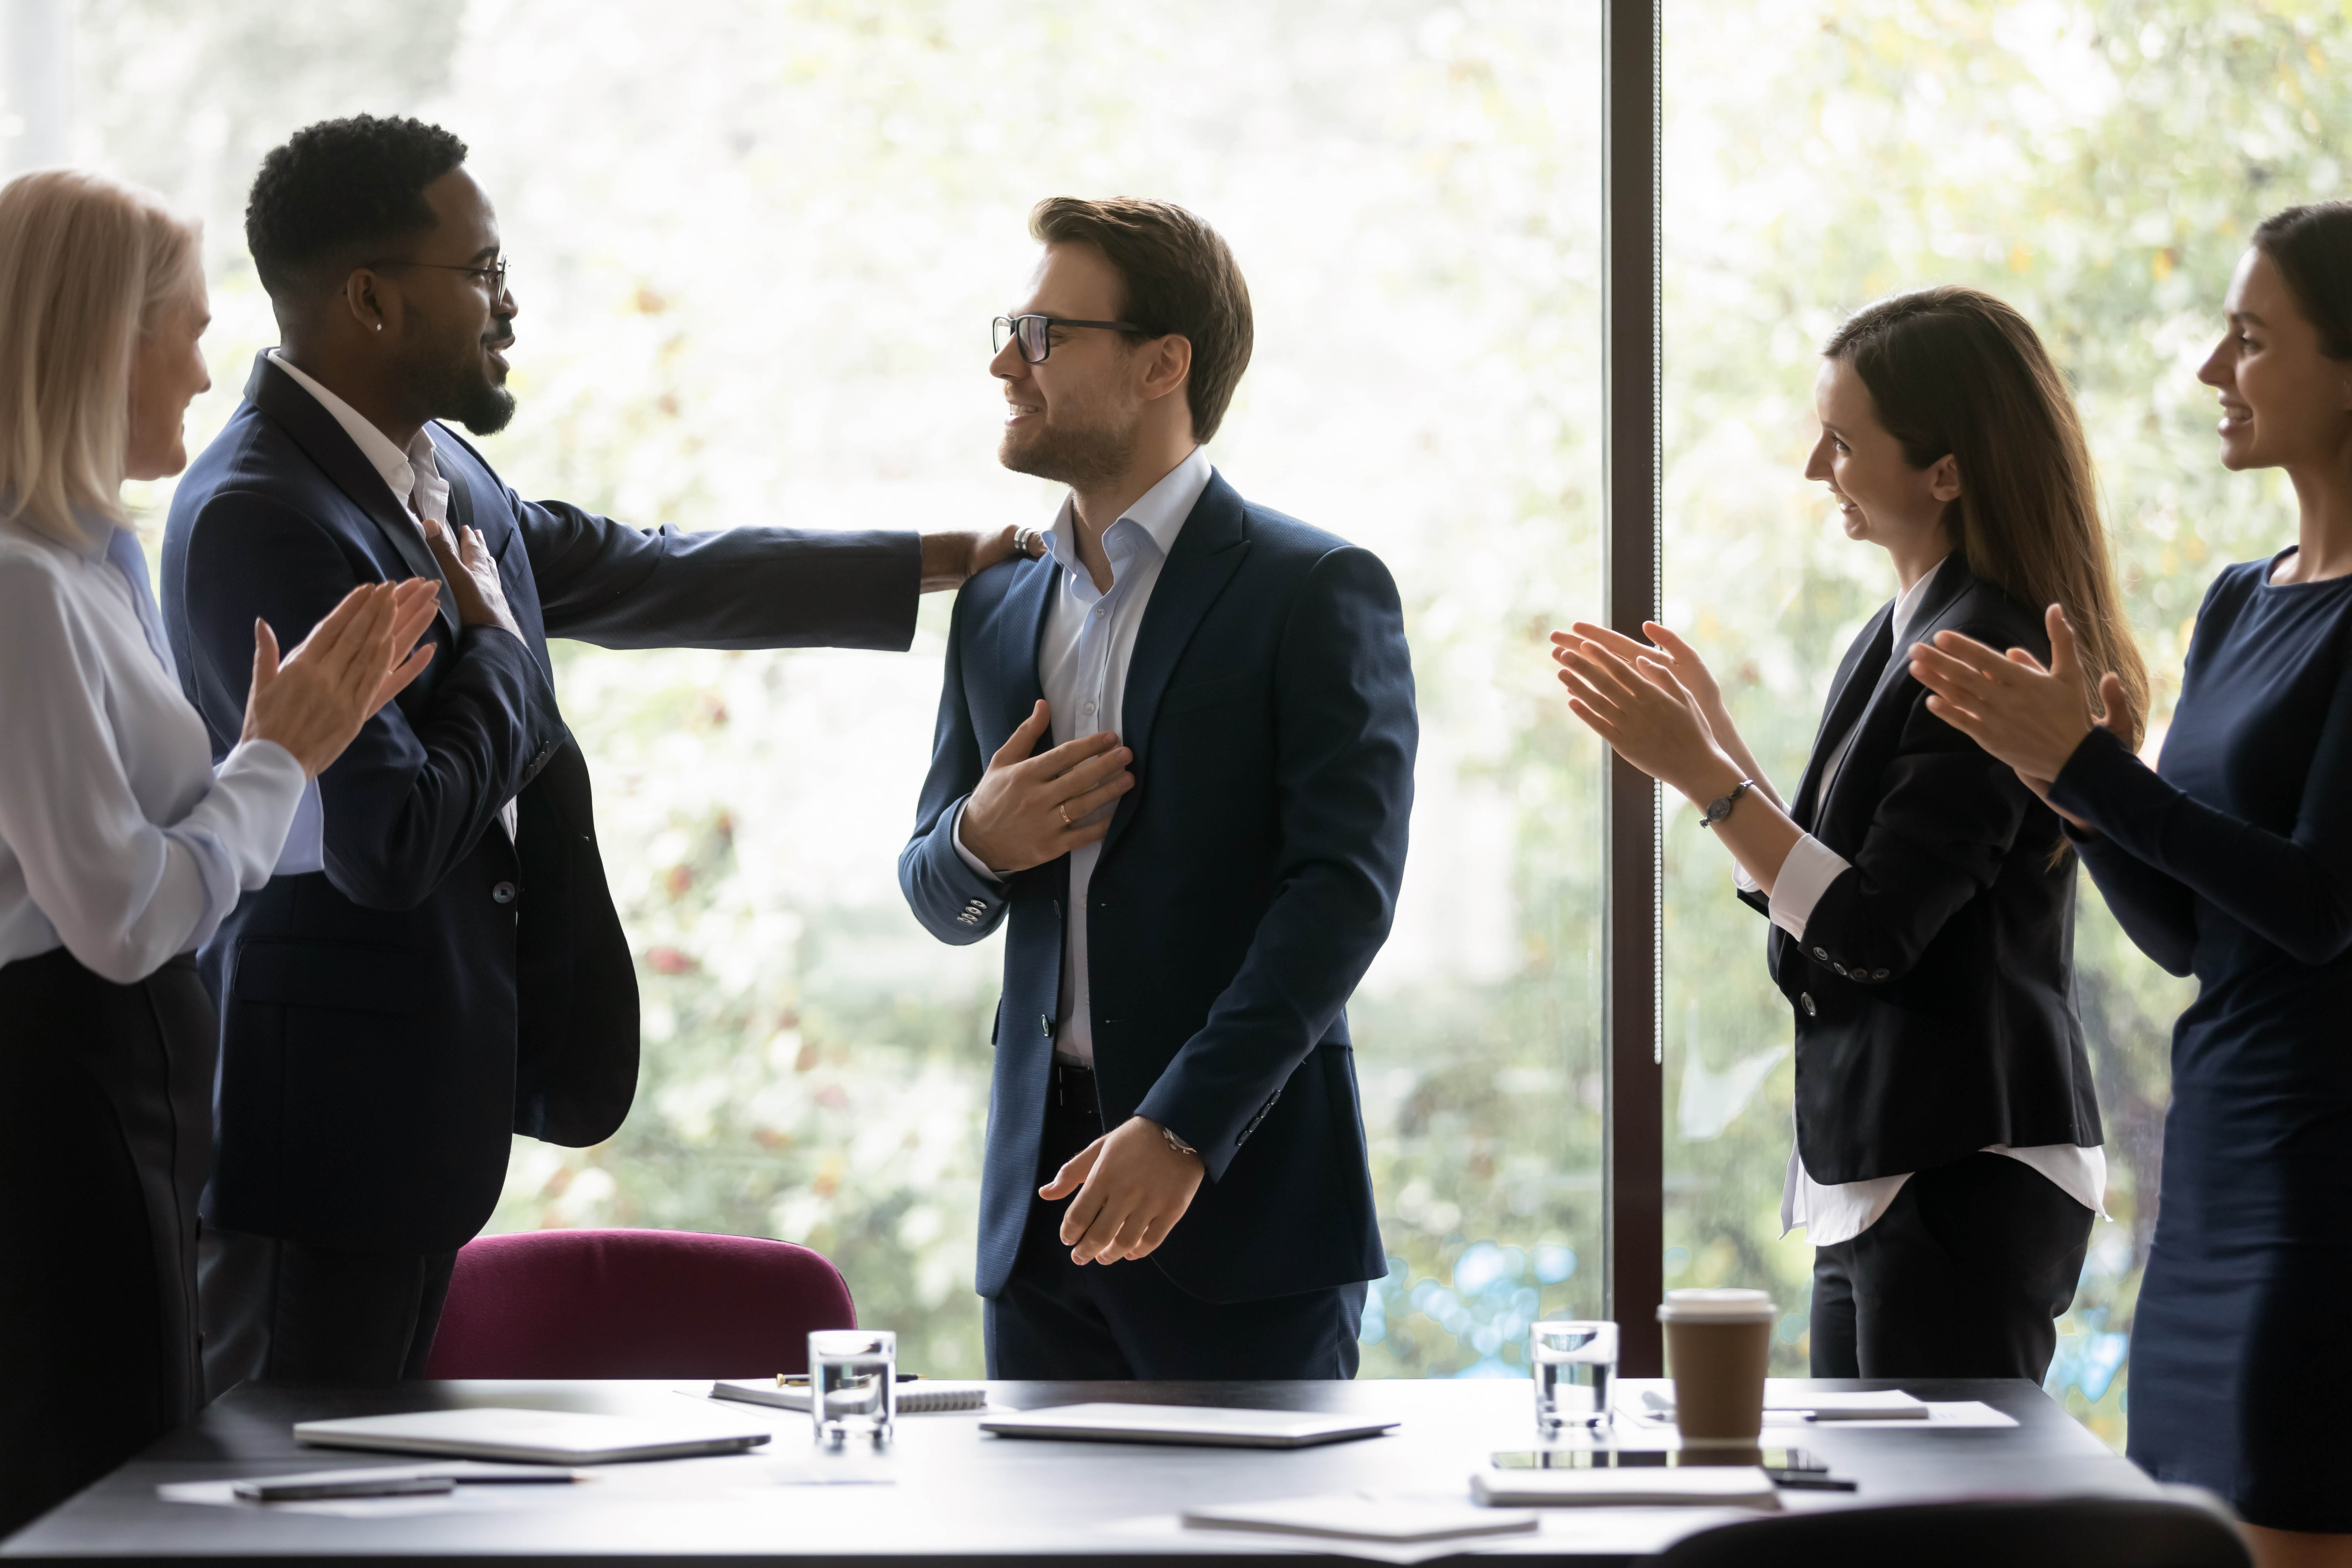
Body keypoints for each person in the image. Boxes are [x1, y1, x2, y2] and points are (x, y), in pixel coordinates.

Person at [159, 115, 1021, 1389]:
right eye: (486, 274)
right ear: (373, 300)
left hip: (406, 1121)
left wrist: (939, 562)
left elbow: (636, 568)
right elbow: (384, 842)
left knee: (378, 1504)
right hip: (317, 1139)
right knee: (289, 1507)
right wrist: (505, 651)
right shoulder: (259, 515)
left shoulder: (436, 469)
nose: (511, 306)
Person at [1553, 286, 2145, 1381]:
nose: (1816, 472)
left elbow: (1873, 931)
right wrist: (1719, 753)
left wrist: (1699, 774)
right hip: (1888, 1166)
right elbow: (1859, 886)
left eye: (1840, 442)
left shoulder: (1979, 656)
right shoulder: (1899, 631)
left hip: (1958, 1167)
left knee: (1939, 1541)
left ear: (1945, 470)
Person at [898, 197, 1416, 1378]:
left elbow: (1341, 895)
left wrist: (1182, 1127)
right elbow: (935, 890)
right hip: (1034, 1223)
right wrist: (979, 843)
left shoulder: (1315, 587)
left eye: (1039, 336)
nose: (1001, 363)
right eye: (1007, 331)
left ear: (1160, 364)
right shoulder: (993, 604)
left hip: (1240, 1203)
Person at [1909, 208, 2352, 1564]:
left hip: (2323, 1188)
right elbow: (2189, 938)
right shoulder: (2237, 600)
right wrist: (2069, 791)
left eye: (2251, 338)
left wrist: (2101, 775)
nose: (2215, 371)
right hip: (2216, 1171)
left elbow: (2323, 911)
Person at [0, 169, 437, 1533]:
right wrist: (278, 756)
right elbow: (124, 919)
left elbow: (197, 856)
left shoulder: (84, 569)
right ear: (95, 342)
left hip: (124, 1099)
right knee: (100, 1492)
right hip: (64, 1105)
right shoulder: (20, 587)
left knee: (138, 1477)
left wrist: (294, 744)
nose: (208, 367)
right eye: (186, 328)